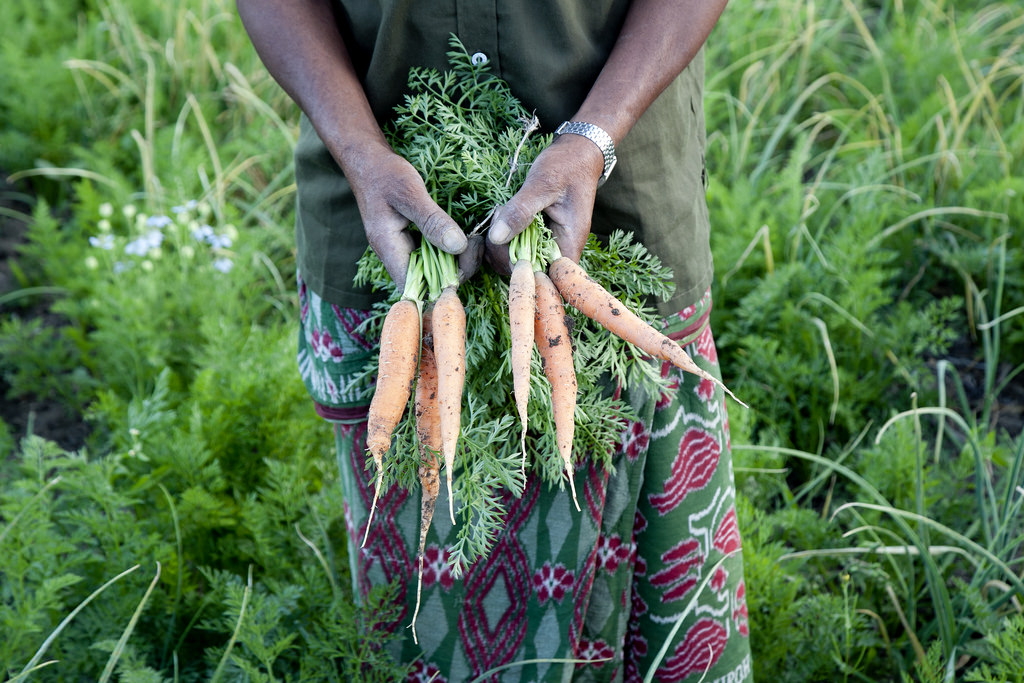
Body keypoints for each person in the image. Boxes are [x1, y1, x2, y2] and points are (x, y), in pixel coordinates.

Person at [237, 1, 753, 681]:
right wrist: (363, 155)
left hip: (620, 203)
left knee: (651, 599)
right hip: (376, 217)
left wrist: (592, 138)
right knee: (408, 587)